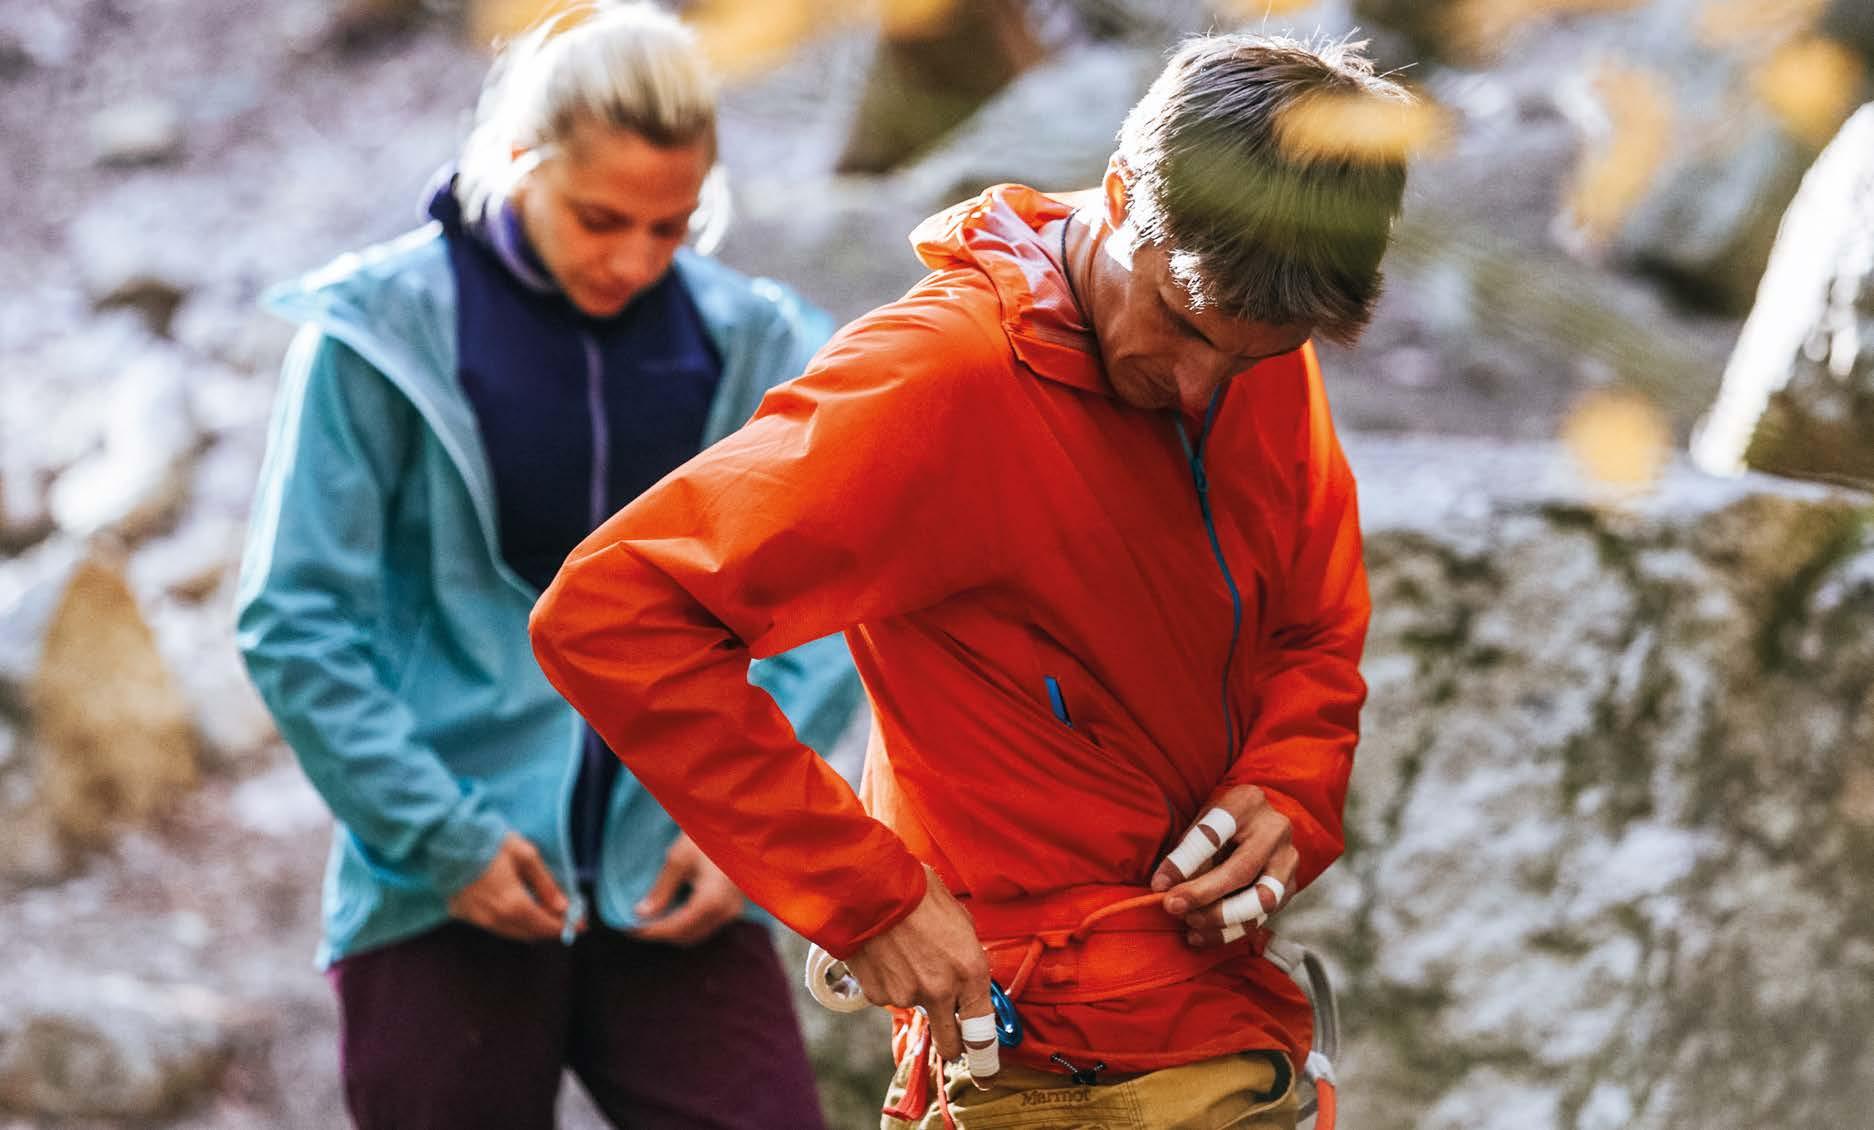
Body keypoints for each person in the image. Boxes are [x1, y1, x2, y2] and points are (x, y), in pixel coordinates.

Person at [530, 31, 1410, 1130]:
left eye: (1248, 355)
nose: (1199, 385)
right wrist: (865, 896)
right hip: (1038, 1066)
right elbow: (614, 612)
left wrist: (1291, 782)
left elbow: (1315, 621)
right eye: (1181, 327)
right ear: (1121, 194)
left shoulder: (1247, 328)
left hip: (1231, 1037)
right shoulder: (940, 378)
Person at [235, 5, 859, 1128]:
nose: (633, 259)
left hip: (674, 871)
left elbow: (823, 606)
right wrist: (442, 838)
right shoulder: (373, 336)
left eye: (673, 226)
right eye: (599, 218)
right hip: (444, 878)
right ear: (519, 159)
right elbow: (297, 620)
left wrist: (745, 822)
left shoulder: (757, 345)